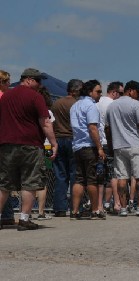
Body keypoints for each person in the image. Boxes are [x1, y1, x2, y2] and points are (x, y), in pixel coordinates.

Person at [0, 68, 57, 231]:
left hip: (6, 145)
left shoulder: (6, 97)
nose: (40, 85)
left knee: (4, 184)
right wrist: (53, 143)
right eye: (38, 81)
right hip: (30, 145)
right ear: (29, 80)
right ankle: (24, 219)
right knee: (30, 182)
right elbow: (45, 122)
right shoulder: (35, 97)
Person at [105, 80, 139, 217]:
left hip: (118, 146)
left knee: (122, 177)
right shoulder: (135, 104)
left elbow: (107, 129)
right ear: (130, 90)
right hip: (135, 145)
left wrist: (111, 144)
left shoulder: (112, 106)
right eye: (138, 92)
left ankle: (123, 208)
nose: (138, 95)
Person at [70, 79, 105, 220]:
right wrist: (100, 148)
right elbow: (92, 128)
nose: (100, 94)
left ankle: (75, 211)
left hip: (77, 146)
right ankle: (95, 210)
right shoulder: (91, 106)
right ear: (90, 92)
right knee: (92, 179)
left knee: (79, 179)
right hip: (89, 146)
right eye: (98, 91)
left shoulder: (75, 106)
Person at [51, 78, 83, 217]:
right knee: (75, 175)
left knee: (60, 175)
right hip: (73, 140)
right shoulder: (78, 104)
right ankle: (76, 207)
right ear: (77, 90)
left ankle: (59, 208)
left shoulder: (56, 103)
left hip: (58, 139)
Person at [97, 81, 123, 214]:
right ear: (114, 92)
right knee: (114, 174)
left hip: (98, 142)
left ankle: (101, 204)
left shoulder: (97, 102)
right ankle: (117, 203)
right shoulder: (113, 105)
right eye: (121, 93)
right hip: (110, 141)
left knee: (101, 175)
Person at [35, 86, 56, 221]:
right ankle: (41, 211)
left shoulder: (30, 111)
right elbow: (50, 129)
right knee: (45, 178)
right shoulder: (48, 112)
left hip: (34, 146)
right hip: (47, 146)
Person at [0, 69, 16, 227]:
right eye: (7, 81)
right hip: (4, 142)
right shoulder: (5, 98)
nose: (10, 84)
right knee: (5, 181)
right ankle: (7, 215)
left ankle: (7, 214)